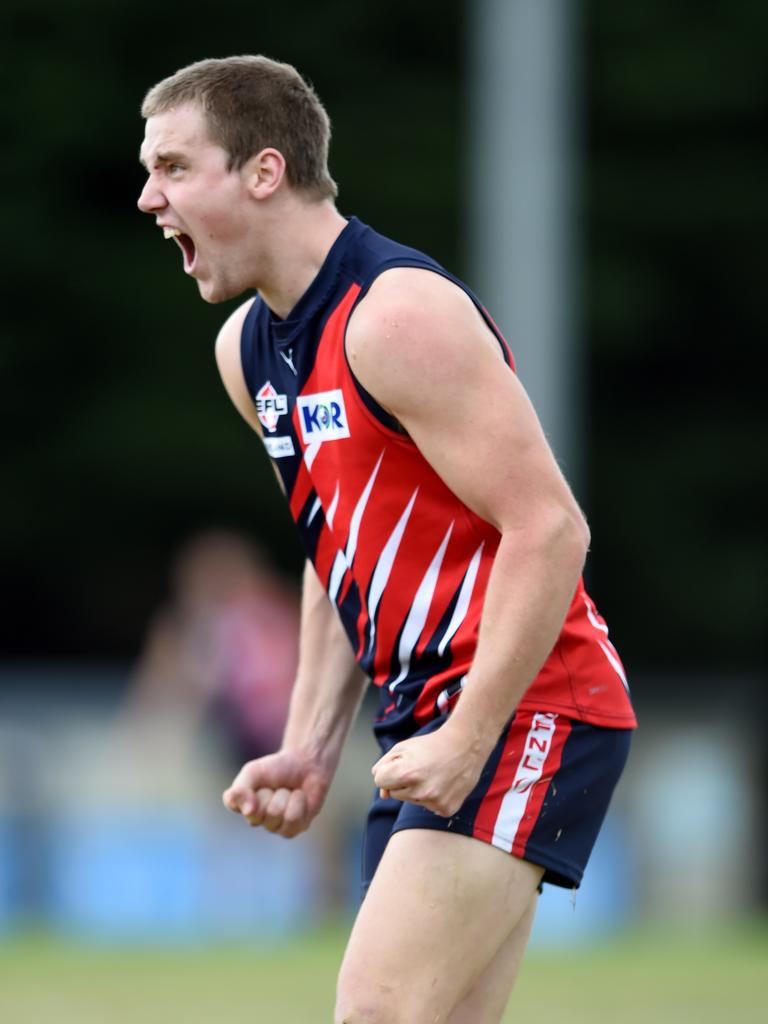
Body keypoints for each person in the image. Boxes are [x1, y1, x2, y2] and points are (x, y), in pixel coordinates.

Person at [137, 55, 637, 1023]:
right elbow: (340, 548)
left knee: (376, 1008)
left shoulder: (395, 316)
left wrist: (469, 734)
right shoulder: (249, 350)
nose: (149, 196)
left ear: (264, 172)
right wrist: (309, 745)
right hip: (436, 722)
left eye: (172, 167)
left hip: (534, 701)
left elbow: (552, 527)